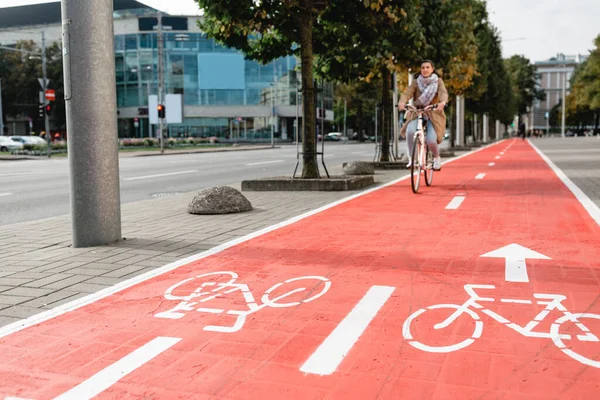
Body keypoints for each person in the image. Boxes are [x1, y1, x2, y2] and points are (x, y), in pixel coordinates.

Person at [398, 60, 448, 171]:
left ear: (432, 69)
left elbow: (443, 93)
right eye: (423, 67)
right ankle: (412, 158)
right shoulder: (416, 82)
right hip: (417, 112)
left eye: (427, 67)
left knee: (430, 140)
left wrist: (442, 102)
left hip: (433, 113)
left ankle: (436, 157)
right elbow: (407, 93)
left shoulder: (438, 81)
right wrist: (402, 102)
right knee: (410, 131)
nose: (425, 70)